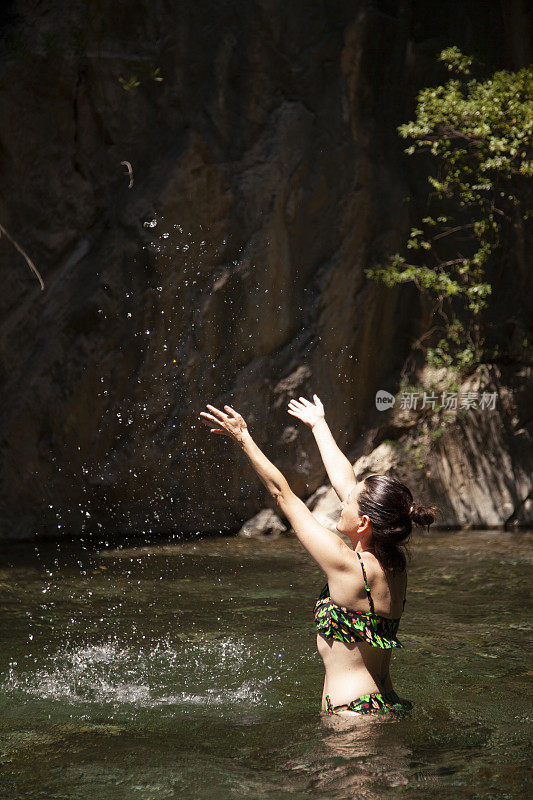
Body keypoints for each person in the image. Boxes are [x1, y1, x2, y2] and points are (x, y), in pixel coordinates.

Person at [200, 394, 438, 718]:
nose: (341, 500)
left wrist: (243, 437)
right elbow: (346, 481)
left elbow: (282, 494)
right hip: (386, 702)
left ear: (365, 523)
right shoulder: (394, 563)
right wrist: (318, 424)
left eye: (348, 502)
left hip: (351, 716)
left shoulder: (346, 565)